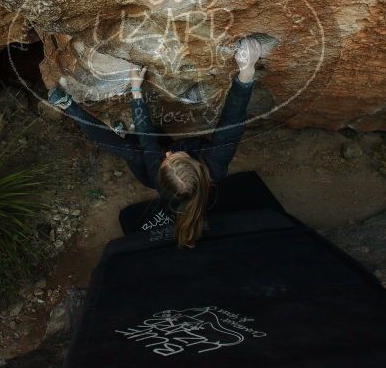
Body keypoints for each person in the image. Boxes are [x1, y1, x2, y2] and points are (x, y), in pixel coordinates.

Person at [48, 37, 262, 247]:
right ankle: (127, 134)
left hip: (148, 167)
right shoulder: (215, 163)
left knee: (130, 150)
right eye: (174, 158)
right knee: (149, 139)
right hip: (172, 161)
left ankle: (70, 107)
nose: (168, 155)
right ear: (197, 165)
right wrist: (246, 72)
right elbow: (231, 123)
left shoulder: (155, 171)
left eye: (167, 161)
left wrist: (135, 90)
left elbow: (147, 139)